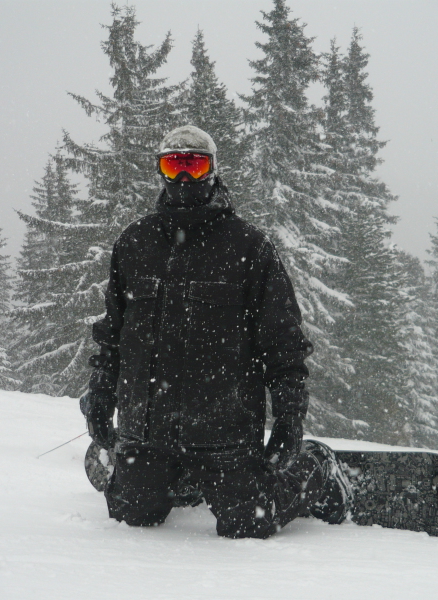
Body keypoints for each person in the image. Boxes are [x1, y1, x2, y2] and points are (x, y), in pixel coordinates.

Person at [79, 125, 352, 538]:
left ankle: (317, 466)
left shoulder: (248, 247)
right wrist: (100, 396)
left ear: (212, 171)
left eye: (194, 166)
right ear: (160, 171)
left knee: (250, 522)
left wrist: (289, 421)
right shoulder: (135, 244)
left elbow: (284, 346)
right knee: (130, 514)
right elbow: (112, 335)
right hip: (149, 431)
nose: (183, 177)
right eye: (173, 165)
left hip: (224, 434)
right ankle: (176, 478)